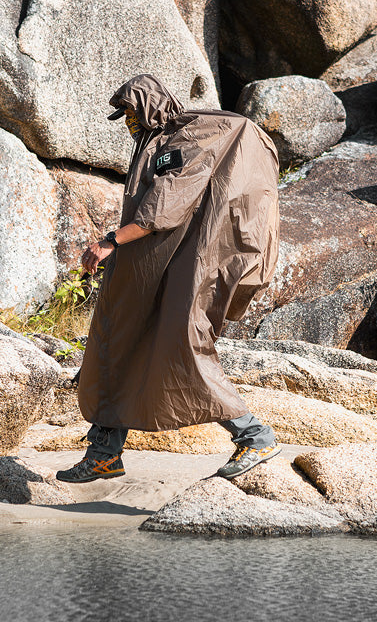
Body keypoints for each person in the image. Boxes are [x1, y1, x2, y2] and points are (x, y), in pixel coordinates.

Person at [56, 74, 281, 483]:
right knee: (120, 348)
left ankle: (254, 435)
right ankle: (104, 453)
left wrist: (111, 240)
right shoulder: (155, 144)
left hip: (175, 270)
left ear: (147, 106)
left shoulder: (181, 143)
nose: (126, 122)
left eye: (128, 112)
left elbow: (166, 203)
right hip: (147, 272)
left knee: (183, 350)